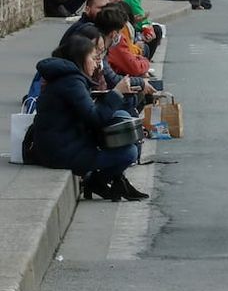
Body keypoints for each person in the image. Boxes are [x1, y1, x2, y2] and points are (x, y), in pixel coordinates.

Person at [32, 35, 147, 201]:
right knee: (129, 152)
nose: (96, 64)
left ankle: (113, 178)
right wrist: (117, 92)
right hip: (60, 151)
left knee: (121, 116)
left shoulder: (69, 78)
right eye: (93, 58)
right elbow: (94, 118)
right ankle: (97, 182)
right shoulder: (71, 82)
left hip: (66, 141)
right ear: (80, 59)